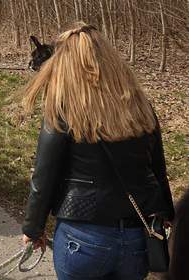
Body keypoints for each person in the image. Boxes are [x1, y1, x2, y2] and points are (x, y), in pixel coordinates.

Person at [20, 22, 175, 280]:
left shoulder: (64, 108)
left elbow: (44, 176)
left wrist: (32, 228)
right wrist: (166, 212)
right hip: (136, 237)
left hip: (82, 236)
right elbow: (157, 167)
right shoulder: (140, 106)